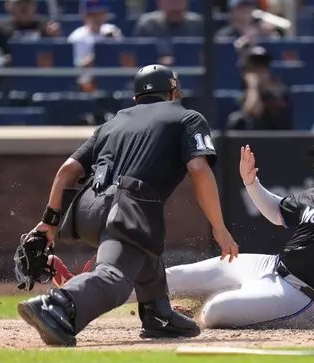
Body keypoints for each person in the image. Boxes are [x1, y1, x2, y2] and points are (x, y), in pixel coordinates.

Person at [59, 132, 314, 330]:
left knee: (215, 313)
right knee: (164, 275)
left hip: (303, 297)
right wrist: (250, 183)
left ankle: (192, 310)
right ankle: (78, 296)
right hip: (266, 266)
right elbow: (277, 213)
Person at [15, 64, 239, 347]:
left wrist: (49, 222)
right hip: (129, 210)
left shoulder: (110, 124)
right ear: (173, 93)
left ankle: (158, 313)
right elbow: (199, 169)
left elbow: (67, 170)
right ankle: (58, 304)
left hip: (87, 210)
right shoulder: (187, 117)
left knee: (144, 242)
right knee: (116, 278)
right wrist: (219, 228)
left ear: (136, 99)